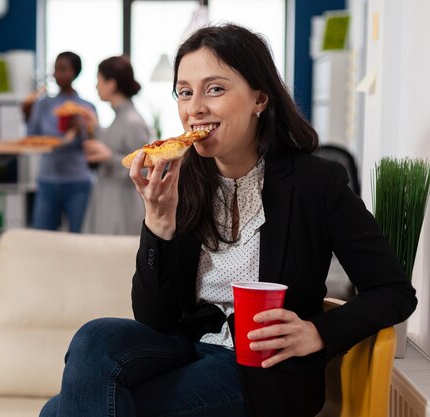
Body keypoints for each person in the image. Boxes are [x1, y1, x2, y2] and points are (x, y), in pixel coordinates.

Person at [39, 24, 417, 417]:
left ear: (259, 97)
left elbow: (394, 291)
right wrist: (158, 224)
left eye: (214, 89)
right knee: (94, 336)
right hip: (186, 347)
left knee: (57, 412)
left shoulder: (315, 182)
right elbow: (154, 319)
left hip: (261, 371)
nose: (194, 108)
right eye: (184, 92)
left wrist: (317, 332)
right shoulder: (182, 178)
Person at [27, 51, 97, 233]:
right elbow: (31, 136)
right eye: (55, 69)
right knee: (41, 237)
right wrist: (25, 113)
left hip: (78, 182)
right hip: (47, 181)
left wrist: (83, 129)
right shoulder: (42, 105)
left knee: (79, 237)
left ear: (75, 73)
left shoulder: (86, 108)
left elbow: (94, 146)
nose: (57, 74)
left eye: (63, 69)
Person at [82, 55, 150, 235]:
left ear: (111, 84)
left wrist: (109, 157)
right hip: (109, 204)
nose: (96, 86)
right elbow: (116, 145)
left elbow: (146, 169)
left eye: (99, 81)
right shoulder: (120, 118)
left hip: (121, 210)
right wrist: (95, 128)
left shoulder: (132, 122)